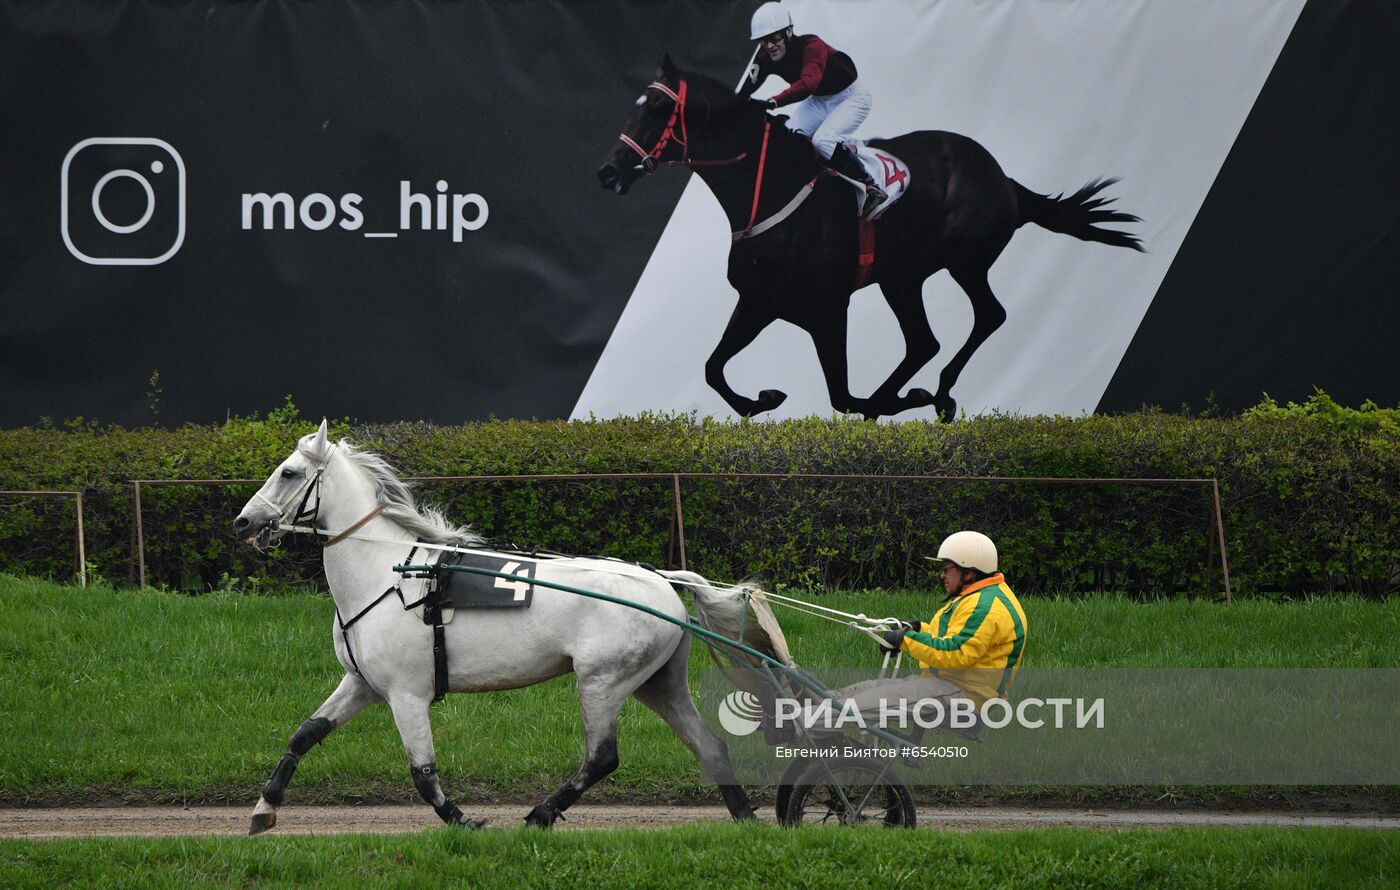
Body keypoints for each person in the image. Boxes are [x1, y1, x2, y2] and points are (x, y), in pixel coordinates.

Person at [840, 531, 1029, 740]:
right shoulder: (979, 596)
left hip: (964, 696)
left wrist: (905, 639)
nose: (942, 575)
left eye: (947, 569)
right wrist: (916, 629)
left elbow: (954, 653)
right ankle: (814, 725)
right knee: (857, 693)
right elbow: (952, 638)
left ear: (969, 572)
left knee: (856, 705)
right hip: (947, 686)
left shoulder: (986, 607)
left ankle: (807, 729)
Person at [739, 2, 886, 218]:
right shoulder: (764, 56)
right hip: (820, 100)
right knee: (788, 137)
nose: (769, 46)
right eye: (763, 41)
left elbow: (808, 84)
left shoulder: (811, 45)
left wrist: (772, 102)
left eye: (775, 38)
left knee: (823, 141)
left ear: (788, 32)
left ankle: (872, 187)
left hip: (852, 97)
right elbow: (744, 92)